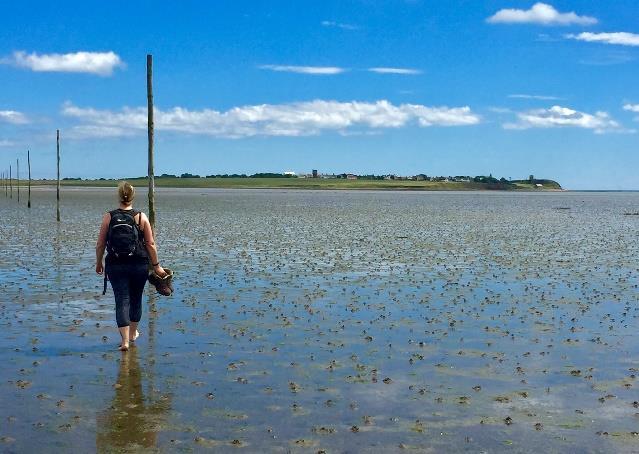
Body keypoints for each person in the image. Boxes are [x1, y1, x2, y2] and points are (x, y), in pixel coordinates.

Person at [95, 181, 166, 351]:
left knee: (122, 300)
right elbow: (150, 243)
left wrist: (99, 262)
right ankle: (133, 333)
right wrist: (156, 266)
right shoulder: (141, 217)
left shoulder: (109, 216)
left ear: (119, 196)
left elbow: (100, 243)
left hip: (115, 265)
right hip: (139, 265)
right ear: (133, 197)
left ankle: (125, 341)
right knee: (136, 299)